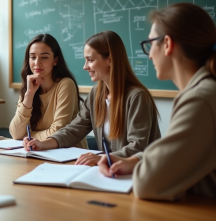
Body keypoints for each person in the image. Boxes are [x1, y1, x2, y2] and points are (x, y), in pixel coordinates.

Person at [99, 3, 216, 200]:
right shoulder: (203, 91)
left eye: (151, 43)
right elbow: (179, 154)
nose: (150, 53)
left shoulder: (200, 99)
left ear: (168, 44)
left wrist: (140, 166)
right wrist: (135, 160)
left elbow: (147, 184)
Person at [24, 31, 161, 166]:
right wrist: (43, 144)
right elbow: (74, 129)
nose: (85, 67)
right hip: (111, 171)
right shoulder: (97, 93)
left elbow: (137, 147)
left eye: (90, 60)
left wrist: (101, 158)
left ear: (110, 59)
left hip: (141, 175)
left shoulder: (137, 97)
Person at [9, 34, 87, 148]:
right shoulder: (29, 87)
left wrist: (28, 136)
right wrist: (29, 94)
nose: (37, 62)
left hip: (70, 155)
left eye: (44, 57)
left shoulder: (65, 84)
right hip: (41, 151)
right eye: (32, 57)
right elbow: (15, 134)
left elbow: (58, 132)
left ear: (55, 60)